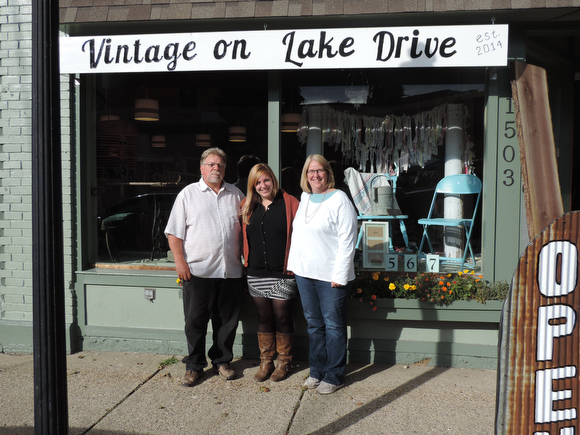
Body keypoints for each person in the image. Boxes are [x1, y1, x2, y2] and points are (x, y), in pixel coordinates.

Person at [165, 147, 245, 388]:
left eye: (220, 164)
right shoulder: (188, 194)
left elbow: (247, 229)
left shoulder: (236, 194)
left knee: (227, 322)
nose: (216, 168)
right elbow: (174, 233)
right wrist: (180, 262)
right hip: (197, 272)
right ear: (201, 168)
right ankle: (194, 366)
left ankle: (222, 361)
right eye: (211, 164)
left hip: (230, 271)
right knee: (195, 322)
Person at [287, 154, 357, 395]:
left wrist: (340, 274)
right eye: (310, 171)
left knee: (334, 325)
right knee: (314, 325)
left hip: (331, 276)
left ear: (328, 173)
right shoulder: (305, 197)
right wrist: (294, 264)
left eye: (319, 171)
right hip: (305, 273)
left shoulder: (340, 199)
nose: (315, 175)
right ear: (306, 176)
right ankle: (316, 371)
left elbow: (348, 240)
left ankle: (334, 375)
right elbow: (299, 235)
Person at [240, 163, 300, 382]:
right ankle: (266, 362)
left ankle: (284, 362)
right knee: (263, 317)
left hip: (283, 272)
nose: (262, 185)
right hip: (256, 272)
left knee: (282, 316)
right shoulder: (247, 205)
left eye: (266, 180)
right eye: (257, 182)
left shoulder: (290, 202)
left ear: (273, 180)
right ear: (252, 186)